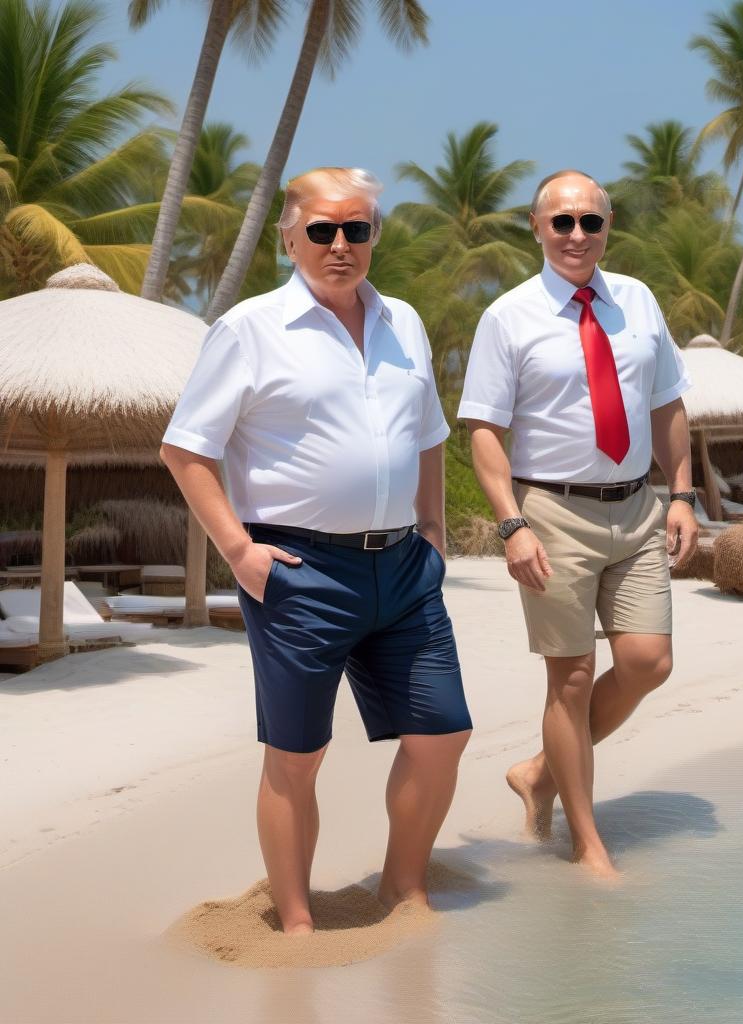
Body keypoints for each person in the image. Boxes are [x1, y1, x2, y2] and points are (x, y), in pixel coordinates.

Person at [160, 167, 472, 933]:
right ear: (289, 237)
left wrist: (432, 534)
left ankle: (403, 889)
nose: (341, 244)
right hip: (299, 571)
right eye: (324, 230)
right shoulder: (248, 329)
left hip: (404, 569)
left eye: (357, 229)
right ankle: (296, 923)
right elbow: (186, 451)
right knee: (297, 758)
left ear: (373, 235)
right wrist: (240, 551)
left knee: (443, 734)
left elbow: (429, 435)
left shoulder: (405, 322)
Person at [458, 169, 698, 879]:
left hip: (637, 504)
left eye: (589, 222)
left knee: (649, 662)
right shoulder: (507, 316)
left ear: (607, 227)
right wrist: (511, 525)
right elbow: (483, 432)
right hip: (551, 512)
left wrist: (681, 494)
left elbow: (668, 405)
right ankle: (586, 841)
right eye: (561, 222)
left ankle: (539, 773)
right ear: (535, 227)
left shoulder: (639, 302)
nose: (576, 235)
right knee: (569, 679)